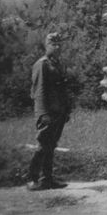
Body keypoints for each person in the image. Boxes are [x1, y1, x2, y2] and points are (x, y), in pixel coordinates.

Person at [27, 32, 71, 191]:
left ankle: (47, 179)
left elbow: (62, 89)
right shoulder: (42, 64)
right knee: (42, 145)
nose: (57, 47)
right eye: (54, 44)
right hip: (47, 113)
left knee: (51, 145)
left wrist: (66, 110)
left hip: (58, 112)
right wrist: (43, 113)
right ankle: (32, 178)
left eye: (60, 44)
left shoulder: (57, 64)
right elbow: (39, 91)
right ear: (47, 46)